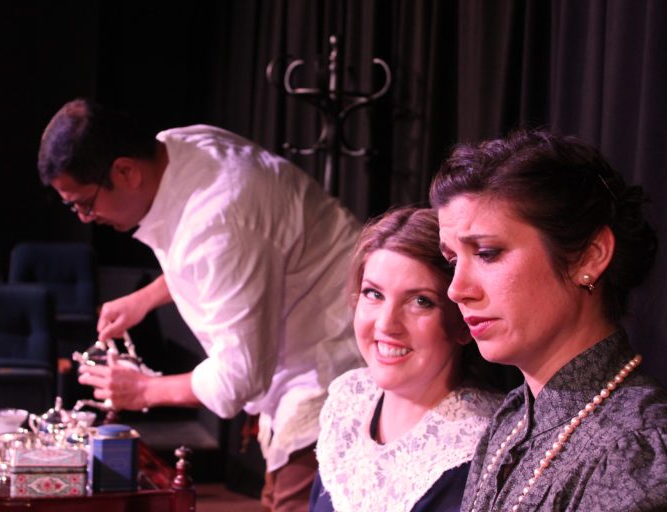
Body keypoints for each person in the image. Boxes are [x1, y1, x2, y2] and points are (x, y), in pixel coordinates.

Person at [37, 98, 364, 511]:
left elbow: (237, 380)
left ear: (125, 171)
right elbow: (214, 258)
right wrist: (144, 299)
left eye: (85, 203)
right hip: (303, 348)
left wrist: (142, 390)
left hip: (333, 364)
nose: (85, 218)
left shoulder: (219, 221)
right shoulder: (176, 146)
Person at [430, 128, 667, 511]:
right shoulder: (512, 420)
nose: (457, 289)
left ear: (590, 256)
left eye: (487, 253)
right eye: (453, 260)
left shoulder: (633, 450)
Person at [309, 207, 506, 512]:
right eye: (374, 294)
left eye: (420, 301)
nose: (387, 324)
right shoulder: (347, 406)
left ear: (462, 322)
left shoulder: (485, 448)